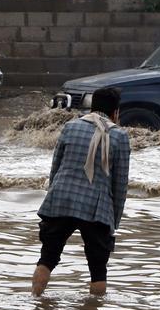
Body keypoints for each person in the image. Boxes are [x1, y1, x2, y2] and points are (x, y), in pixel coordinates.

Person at [31, 87, 131, 297]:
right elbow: (120, 186)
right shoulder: (119, 136)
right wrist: (114, 222)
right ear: (115, 112)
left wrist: (53, 197)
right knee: (98, 271)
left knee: (47, 259)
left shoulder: (70, 126)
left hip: (61, 199)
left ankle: (35, 304)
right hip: (97, 207)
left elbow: (55, 168)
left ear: (92, 107)